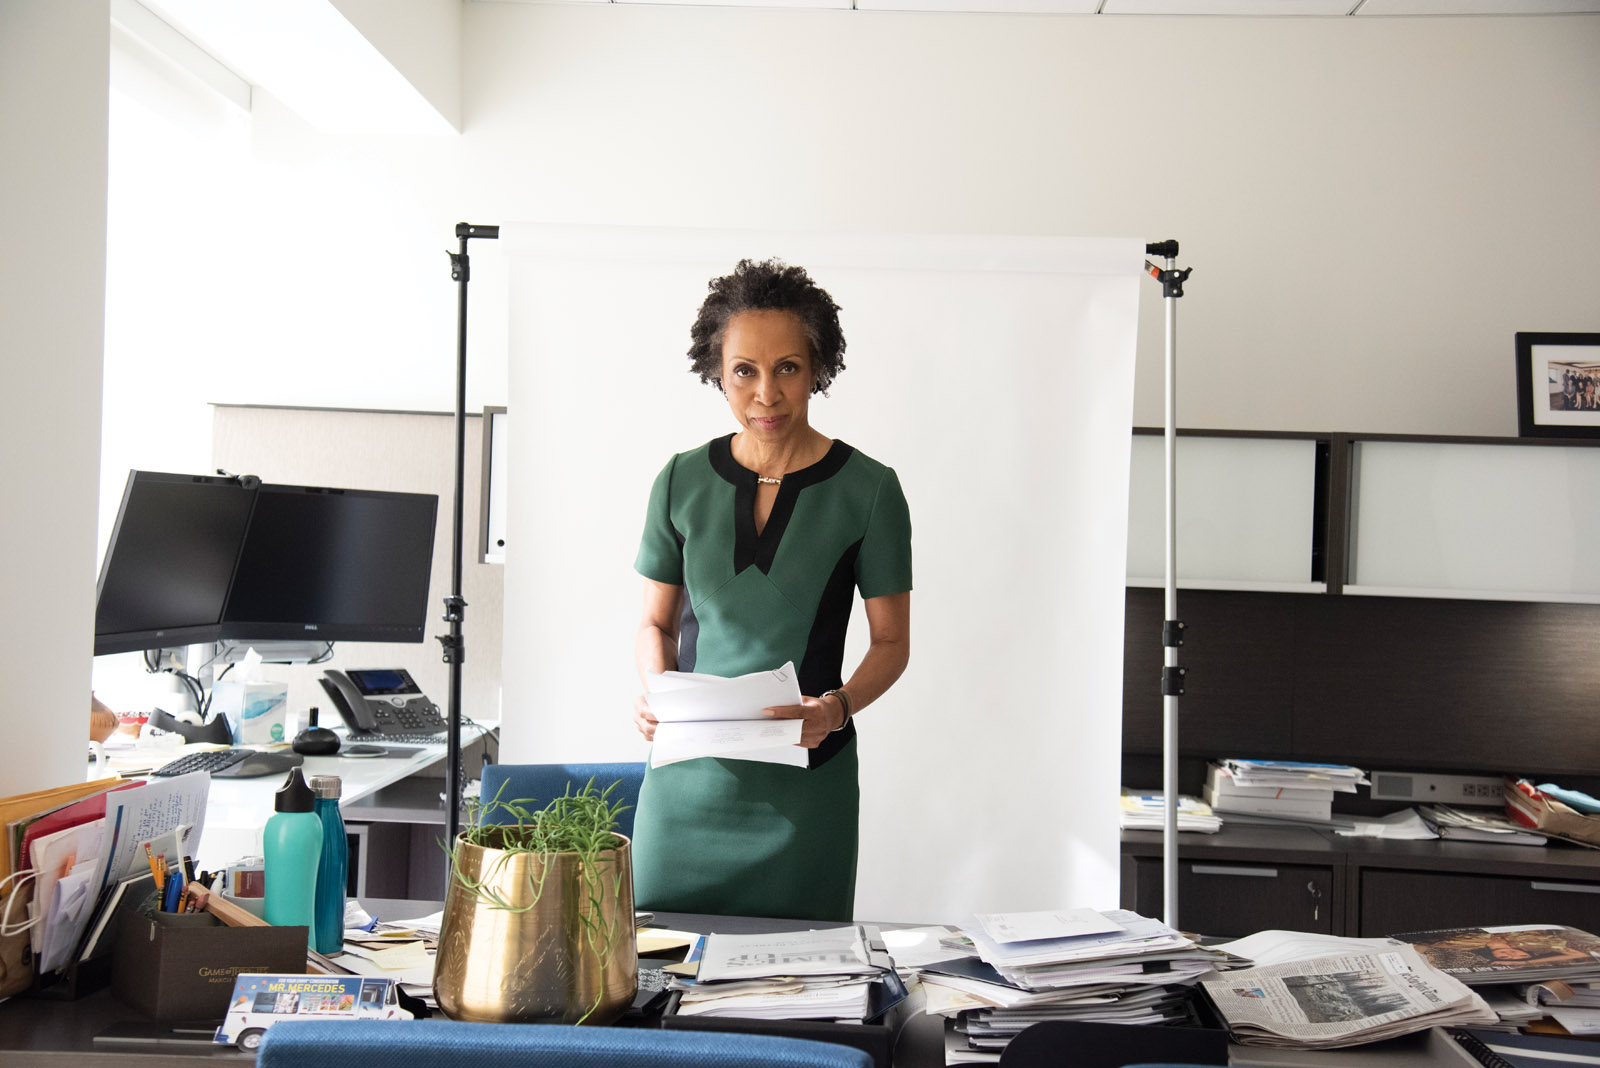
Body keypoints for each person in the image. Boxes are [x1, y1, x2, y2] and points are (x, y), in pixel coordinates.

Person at [629, 258, 912, 922]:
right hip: (684, 791)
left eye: (787, 367)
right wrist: (658, 693)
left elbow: (892, 643)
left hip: (806, 797)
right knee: (656, 986)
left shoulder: (869, 491)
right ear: (717, 373)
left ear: (817, 367)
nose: (766, 394)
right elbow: (655, 626)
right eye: (744, 372)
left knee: (798, 991)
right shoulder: (678, 481)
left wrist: (835, 711)